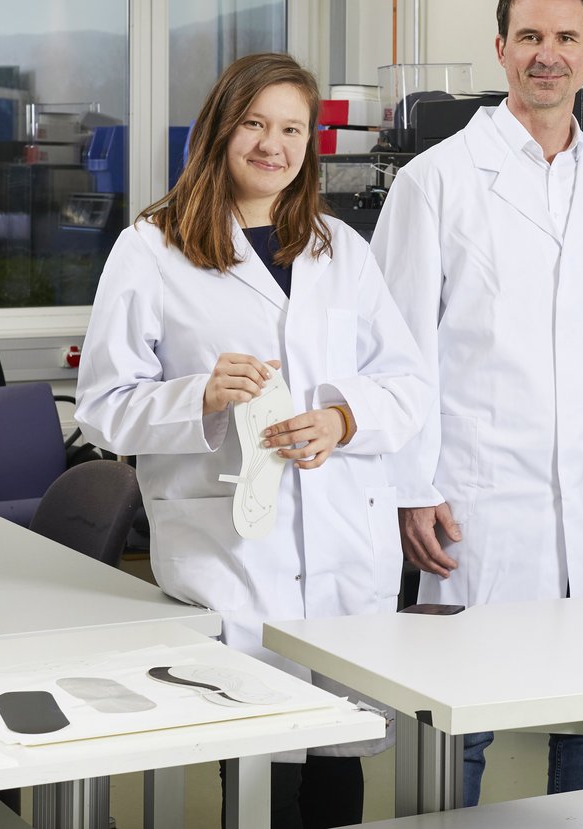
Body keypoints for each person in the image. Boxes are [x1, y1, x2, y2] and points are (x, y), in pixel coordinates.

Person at [75, 52, 431, 829]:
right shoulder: (152, 247)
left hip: (343, 546)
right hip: (233, 553)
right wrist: (197, 395)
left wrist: (342, 419)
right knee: (259, 769)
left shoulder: (340, 248)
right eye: (256, 124)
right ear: (220, 130)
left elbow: (409, 385)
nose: (274, 144)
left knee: (341, 760)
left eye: (293, 128)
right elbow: (102, 407)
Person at [370, 0, 583, 803]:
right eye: (530, 37)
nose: (548, 55)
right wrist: (411, 488)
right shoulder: (438, 182)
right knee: (464, 715)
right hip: (473, 494)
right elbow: (393, 350)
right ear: (501, 50)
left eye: (566, 38)